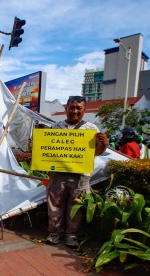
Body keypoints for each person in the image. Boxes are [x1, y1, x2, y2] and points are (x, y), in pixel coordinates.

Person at [44, 95, 108, 248]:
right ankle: (54, 232)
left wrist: (104, 144)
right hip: (58, 172)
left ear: (84, 109)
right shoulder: (56, 127)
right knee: (55, 204)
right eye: (71, 107)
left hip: (80, 175)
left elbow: (96, 153)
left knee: (76, 206)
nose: (74, 111)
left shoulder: (92, 129)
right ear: (66, 108)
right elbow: (48, 150)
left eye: (79, 108)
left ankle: (72, 235)